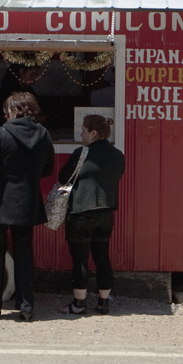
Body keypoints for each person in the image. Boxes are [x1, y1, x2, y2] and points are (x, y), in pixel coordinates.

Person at [0, 92, 54, 322]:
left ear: (12, 110)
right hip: (28, 202)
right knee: (24, 255)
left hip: (0, 202)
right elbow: (48, 169)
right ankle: (26, 307)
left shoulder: (1, 133)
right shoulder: (43, 134)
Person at [57, 115, 125, 316]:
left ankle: (78, 304)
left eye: (84, 130)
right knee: (102, 257)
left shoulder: (81, 153)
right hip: (106, 213)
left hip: (81, 213)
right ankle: (103, 303)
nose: (81, 133)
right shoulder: (118, 155)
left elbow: (62, 177)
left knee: (80, 259)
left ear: (93, 133)